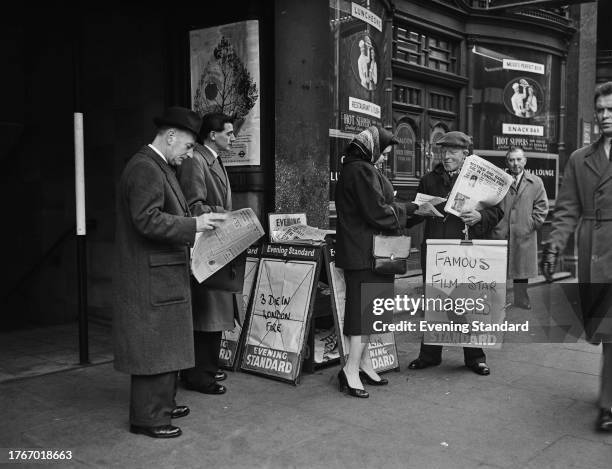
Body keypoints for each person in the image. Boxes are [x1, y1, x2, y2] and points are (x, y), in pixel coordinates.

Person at [114, 107, 228, 438]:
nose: (189, 154)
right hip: (151, 274)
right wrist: (194, 224)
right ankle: (149, 417)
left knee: (166, 343)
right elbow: (147, 218)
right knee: (155, 345)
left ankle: (162, 404)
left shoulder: (157, 166)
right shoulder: (145, 168)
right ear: (171, 136)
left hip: (162, 270)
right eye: (189, 146)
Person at [542, 81, 612, 432]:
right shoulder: (579, 158)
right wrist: (554, 245)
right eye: (600, 109)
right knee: (604, 327)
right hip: (594, 254)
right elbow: (567, 208)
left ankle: (608, 404)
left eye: (611, 109)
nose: (605, 115)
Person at [335, 125, 423, 398]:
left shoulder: (358, 168)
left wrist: (409, 209)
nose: (383, 158)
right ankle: (350, 369)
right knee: (364, 315)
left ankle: (363, 363)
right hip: (366, 254)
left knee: (371, 313)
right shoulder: (361, 170)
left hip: (370, 253)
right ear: (370, 148)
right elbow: (377, 212)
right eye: (383, 153)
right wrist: (413, 208)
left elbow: (379, 208)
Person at [407, 131, 504, 375]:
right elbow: (414, 211)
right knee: (435, 302)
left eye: (452, 152)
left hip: (463, 250)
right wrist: (416, 212)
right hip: (436, 250)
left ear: (465, 155)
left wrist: (481, 216)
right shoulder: (429, 180)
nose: (447, 156)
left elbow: (497, 211)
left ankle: (475, 357)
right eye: (444, 151)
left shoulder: (478, 180)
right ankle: (429, 355)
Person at [176, 112, 243, 395]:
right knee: (207, 312)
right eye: (228, 133)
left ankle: (207, 367)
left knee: (215, 310)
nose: (233, 137)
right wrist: (229, 216)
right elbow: (194, 206)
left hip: (218, 245)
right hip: (205, 247)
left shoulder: (214, 160)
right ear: (212, 135)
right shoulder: (196, 161)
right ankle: (199, 374)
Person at [491, 147, 548, 309]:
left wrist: (532, 224)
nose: (515, 164)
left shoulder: (535, 182)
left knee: (522, 268)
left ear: (525, 160)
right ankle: (498, 300)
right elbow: (489, 202)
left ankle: (521, 298)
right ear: (506, 162)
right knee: (498, 267)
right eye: (511, 160)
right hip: (501, 230)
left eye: (518, 159)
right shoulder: (499, 180)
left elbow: (542, 207)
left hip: (524, 231)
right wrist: (494, 224)